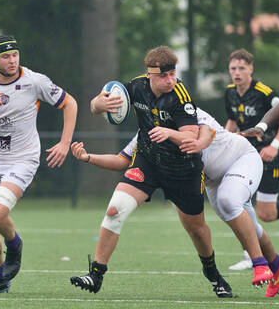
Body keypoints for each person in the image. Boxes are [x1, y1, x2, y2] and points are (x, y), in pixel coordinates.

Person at [71, 106, 279, 298]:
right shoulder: (149, 128)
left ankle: (259, 264)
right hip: (213, 179)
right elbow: (122, 160)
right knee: (246, 224)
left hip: (241, 159)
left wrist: (175, 134)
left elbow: (204, 136)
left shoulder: (187, 111)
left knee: (228, 202)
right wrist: (87, 157)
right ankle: (277, 264)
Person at [70, 46, 233, 298]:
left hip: (184, 170)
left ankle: (213, 273)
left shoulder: (180, 96)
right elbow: (95, 106)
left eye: (172, 74)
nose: (170, 80)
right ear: (150, 75)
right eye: (163, 76)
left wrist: (170, 133)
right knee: (115, 209)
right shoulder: (135, 87)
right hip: (148, 162)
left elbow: (190, 137)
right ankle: (95, 274)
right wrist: (98, 104)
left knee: (197, 230)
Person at [0, 35, 77, 293]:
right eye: (5, 57)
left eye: (15, 55)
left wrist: (65, 143)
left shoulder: (34, 80)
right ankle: (0, 280)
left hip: (24, 158)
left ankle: (14, 244)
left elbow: (70, 104)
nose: (12, 61)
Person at [224, 49, 279, 270]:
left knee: (266, 214)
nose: (237, 73)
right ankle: (251, 256)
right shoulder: (229, 92)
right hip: (244, 156)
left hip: (268, 158)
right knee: (239, 203)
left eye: (241, 68)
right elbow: (232, 121)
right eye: (233, 68)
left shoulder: (264, 92)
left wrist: (274, 146)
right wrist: (225, 143)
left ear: (251, 69)